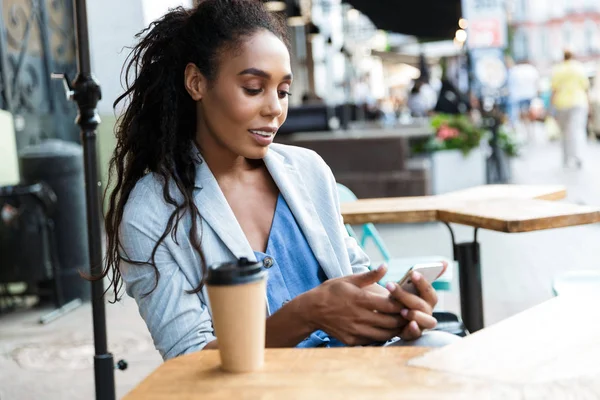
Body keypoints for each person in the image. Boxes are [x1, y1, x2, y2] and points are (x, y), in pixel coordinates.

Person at [101, 0, 459, 361]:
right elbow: (189, 360)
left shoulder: (308, 170)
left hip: (356, 371)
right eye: (254, 88)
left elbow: (357, 276)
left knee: (450, 351)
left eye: (283, 91)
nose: (275, 108)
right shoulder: (152, 211)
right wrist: (307, 314)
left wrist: (396, 305)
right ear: (196, 82)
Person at [551, 49, 590, 168]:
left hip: (562, 104)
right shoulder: (579, 68)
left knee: (564, 132)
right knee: (577, 130)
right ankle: (578, 156)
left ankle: (566, 158)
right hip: (578, 102)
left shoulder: (558, 69)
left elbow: (554, 89)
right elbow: (585, 87)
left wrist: (551, 107)